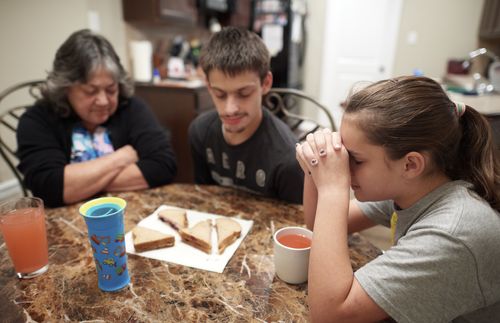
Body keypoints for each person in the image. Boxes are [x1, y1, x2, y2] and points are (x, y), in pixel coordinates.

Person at [296, 76, 500, 322]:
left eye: (356, 159)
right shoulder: (413, 186)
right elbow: (315, 225)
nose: (345, 166)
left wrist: (332, 189)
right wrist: (315, 167)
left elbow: (329, 316)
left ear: (411, 164)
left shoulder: (453, 232)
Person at [17, 29, 177, 207]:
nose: (103, 101)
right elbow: (49, 187)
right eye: (90, 91)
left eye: (111, 89)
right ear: (66, 87)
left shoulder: (131, 108)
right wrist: (121, 158)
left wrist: (80, 183)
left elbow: (163, 166)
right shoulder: (36, 120)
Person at [188, 26, 303, 204]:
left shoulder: (288, 159)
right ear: (209, 87)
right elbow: (205, 201)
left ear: (265, 83)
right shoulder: (200, 132)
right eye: (220, 94)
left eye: (244, 93)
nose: (229, 109)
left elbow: (292, 224)